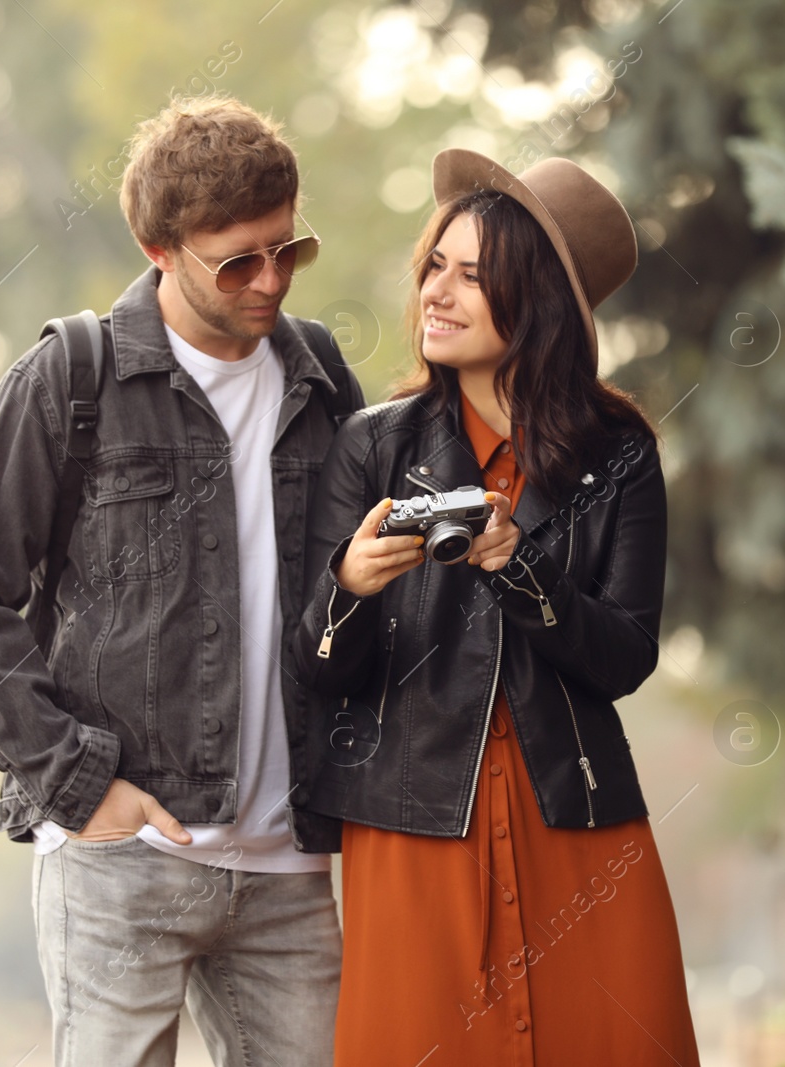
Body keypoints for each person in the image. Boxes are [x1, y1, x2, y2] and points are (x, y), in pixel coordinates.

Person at [0, 96, 360, 1066]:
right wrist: (81, 786)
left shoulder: (320, 377)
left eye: (289, 249)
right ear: (158, 249)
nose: (271, 279)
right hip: (123, 862)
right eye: (237, 259)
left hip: (291, 865)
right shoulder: (70, 377)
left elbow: (351, 600)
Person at [293, 148, 701, 1066]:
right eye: (435, 265)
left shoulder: (620, 453)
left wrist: (519, 568)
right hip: (415, 834)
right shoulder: (371, 445)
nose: (436, 292)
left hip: (579, 822)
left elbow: (625, 656)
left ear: (540, 301)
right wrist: (350, 586)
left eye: (473, 276)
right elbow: (318, 666)